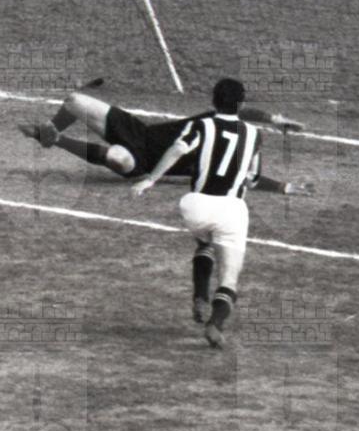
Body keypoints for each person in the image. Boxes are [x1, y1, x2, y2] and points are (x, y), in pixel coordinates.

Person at [128, 78, 310, 348]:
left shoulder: (201, 125)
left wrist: (151, 179)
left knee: (205, 243)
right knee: (229, 278)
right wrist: (285, 187)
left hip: (195, 205)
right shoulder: (254, 135)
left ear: (213, 101)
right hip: (232, 210)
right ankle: (215, 323)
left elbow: (178, 148)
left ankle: (200, 294)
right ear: (242, 104)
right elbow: (252, 180)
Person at [19, 82, 302, 181]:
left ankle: (57, 140)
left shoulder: (213, 161)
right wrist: (276, 119)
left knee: (117, 157)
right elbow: (240, 111)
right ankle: (50, 132)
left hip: (143, 163)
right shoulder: (210, 121)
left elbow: (249, 177)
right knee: (74, 100)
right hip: (139, 132)